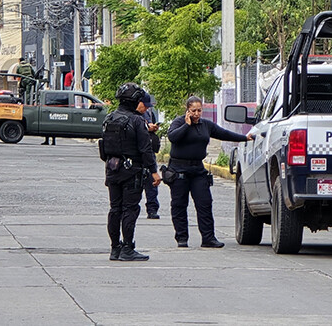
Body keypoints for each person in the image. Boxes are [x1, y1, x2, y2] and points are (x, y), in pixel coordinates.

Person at [167, 95, 254, 248]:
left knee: (204, 203)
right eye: (193, 110)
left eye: (199, 110)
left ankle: (208, 238)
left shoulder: (205, 125)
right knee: (179, 204)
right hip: (179, 169)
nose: (196, 114)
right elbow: (173, 137)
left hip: (198, 170)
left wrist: (244, 138)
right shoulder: (179, 122)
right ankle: (182, 237)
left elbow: (223, 134)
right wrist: (186, 125)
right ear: (187, 110)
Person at [101, 82, 162, 261]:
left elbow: (104, 147)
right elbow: (145, 149)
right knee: (130, 209)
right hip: (132, 171)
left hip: (112, 168)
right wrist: (154, 171)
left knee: (115, 209)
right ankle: (127, 248)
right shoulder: (136, 121)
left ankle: (114, 248)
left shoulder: (109, 118)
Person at [137, 93, 160, 219]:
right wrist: (146, 127)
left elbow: (151, 122)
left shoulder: (148, 112)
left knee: (152, 181)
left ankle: (152, 209)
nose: (146, 108)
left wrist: (153, 127)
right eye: (144, 106)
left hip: (149, 149)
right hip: (136, 153)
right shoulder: (131, 115)